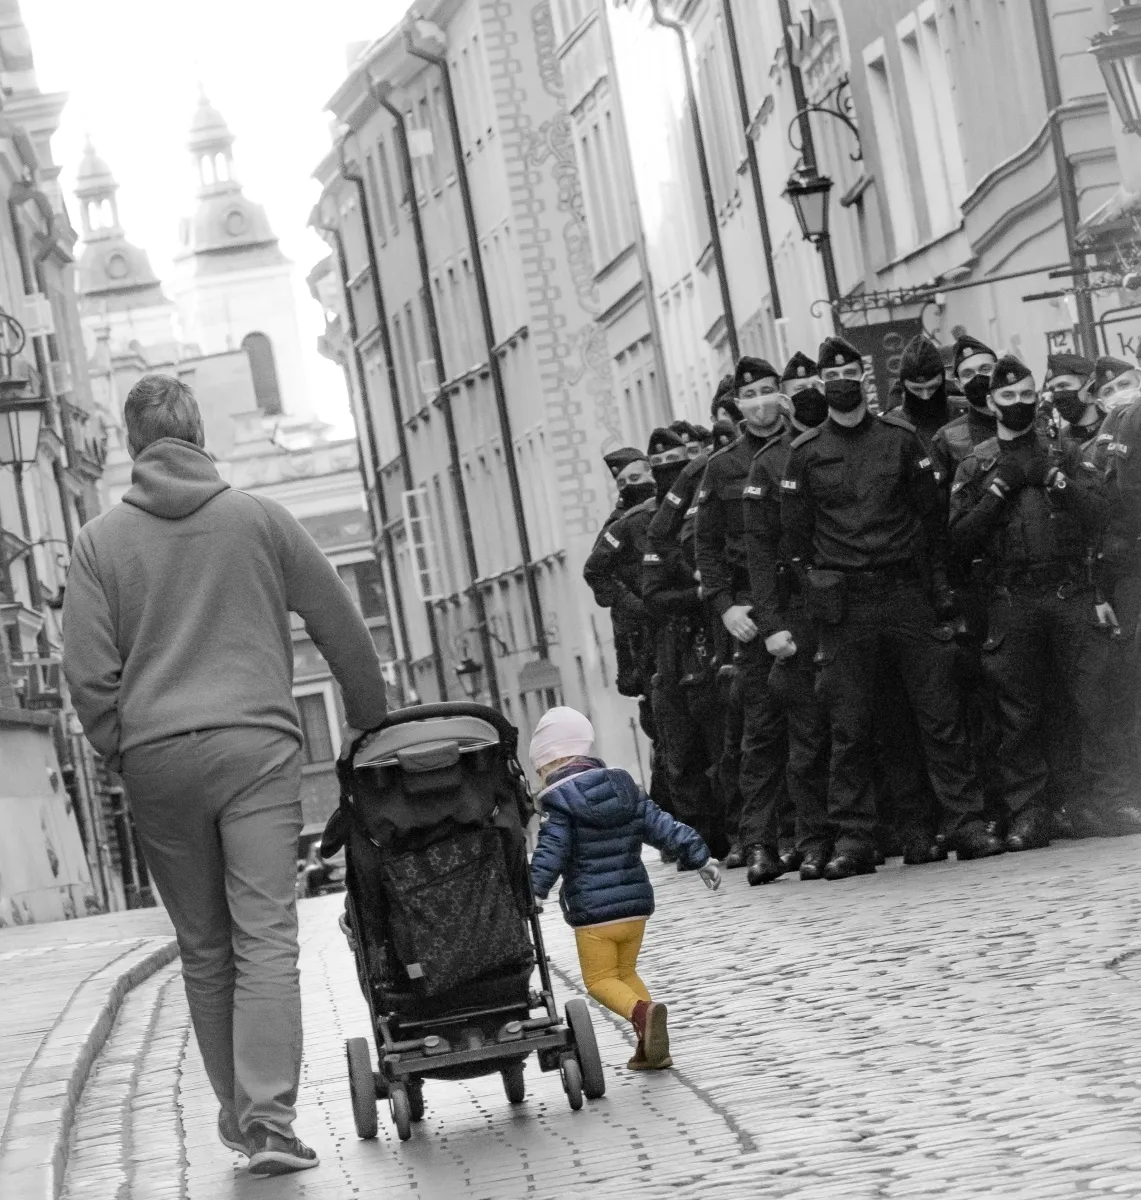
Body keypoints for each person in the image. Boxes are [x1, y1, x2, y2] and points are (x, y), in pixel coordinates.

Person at [62, 375, 390, 1175]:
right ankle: (273, 1120)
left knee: (205, 947)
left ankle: (244, 1126)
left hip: (158, 762)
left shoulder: (99, 543)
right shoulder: (260, 519)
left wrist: (125, 745)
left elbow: (86, 675)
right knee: (265, 934)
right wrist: (369, 721)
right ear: (201, 434)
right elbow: (341, 628)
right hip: (257, 750)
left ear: (134, 447)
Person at [780, 336, 1003, 878]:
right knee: (851, 726)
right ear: (820, 388)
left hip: (906, 594)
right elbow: (794, 540)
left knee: (939, 714)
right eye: (830, 379)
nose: (840, 384)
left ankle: (965, 823)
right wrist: (821, 592)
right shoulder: (805, 453)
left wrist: (935, 595)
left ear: (864, 378)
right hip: (847, 606)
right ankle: (855, 838)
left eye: (850, 374)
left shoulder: (900, 439)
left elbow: (931, 521)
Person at [949, 355, 1138, 847]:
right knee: (1017, 713)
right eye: (1007, 397)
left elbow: (1102, 515)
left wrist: (1057, 483)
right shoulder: (977, 463)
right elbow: (957, 543)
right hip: (1010, 599)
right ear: (990, 403)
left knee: (1094, 699)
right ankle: (1029, 811)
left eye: (1027, 395)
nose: (1019, 404)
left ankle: (1102, 800)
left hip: (1071, 592)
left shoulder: (1064, 452)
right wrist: (997, 491)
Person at [528, 706, 721, 1071]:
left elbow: (550, 853)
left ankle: (643, 1014)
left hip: (595, 916)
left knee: (600, 979)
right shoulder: (625, 789)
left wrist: (535, 892)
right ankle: (650, 1046)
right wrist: (700, 857)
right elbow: (662, 825)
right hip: (635, 910)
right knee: (626, 974)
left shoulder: (560, 803)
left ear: (551, 763)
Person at [696, 357, 791, 885]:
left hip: (804, 605)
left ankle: (817, 835)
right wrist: (725, 606)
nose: (759, 401)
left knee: (821, 725)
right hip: (752, 615)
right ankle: (760, 841)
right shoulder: (723, 467)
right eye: (748, 393)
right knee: (761, 731)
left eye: (766, 390)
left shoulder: (802, 448)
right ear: (735, 404)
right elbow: (706, 547)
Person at [743, 352, 831, 879]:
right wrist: (769, 623)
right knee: (791, 735)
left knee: (855, 723)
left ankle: (859, 831)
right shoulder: (764, 463)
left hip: (847, 603)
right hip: (790, 607)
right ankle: (799, 838)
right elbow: (754, 552)